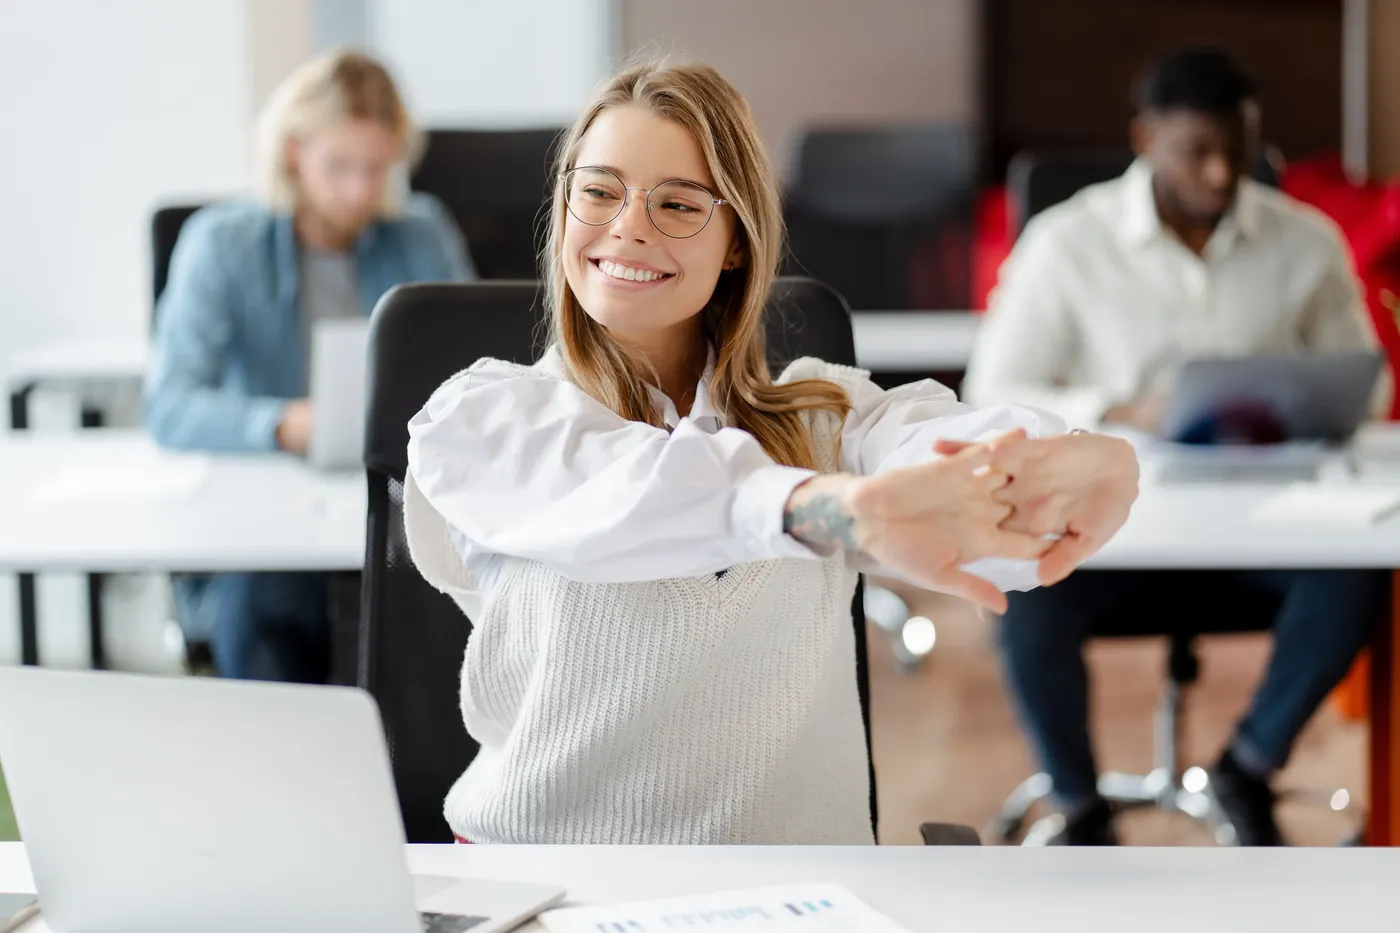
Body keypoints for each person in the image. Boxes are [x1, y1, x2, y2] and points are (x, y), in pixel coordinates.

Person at [402, 59, 1139, 845]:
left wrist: (1074, 462)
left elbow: (936, 443)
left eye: (679, 202)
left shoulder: (825, 413)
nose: (628, 225)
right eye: (599, 190)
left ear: (736, 246)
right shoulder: (482, 415)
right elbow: (625, 492)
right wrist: (825, 508)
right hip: (551, 889)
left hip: (798, 897)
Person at [963, 46, 1388, 845]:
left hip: (1263, 522)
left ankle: (1250, 764)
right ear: (1145, 139)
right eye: (1198, 151)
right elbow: (992, 392)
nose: (1223, 174)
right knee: (1021, 586)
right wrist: (1125, 407)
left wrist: (1296, 399)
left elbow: (1369, 388)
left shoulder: (1308, 243)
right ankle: (1080, 807)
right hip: (1115, 535)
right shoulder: (1067, 244)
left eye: (1239, 149)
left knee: (1359, 570)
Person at [144, 49, 475, 683]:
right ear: (295, 151)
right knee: (272, 605)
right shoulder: (222, 244)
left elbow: (481, 369)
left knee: (447, 603)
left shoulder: (422, 232)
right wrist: (282, 424)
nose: (360, 190)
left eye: (377, 169)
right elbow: (170, 403)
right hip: (273, 519)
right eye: (339, 165)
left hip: (402, 504)